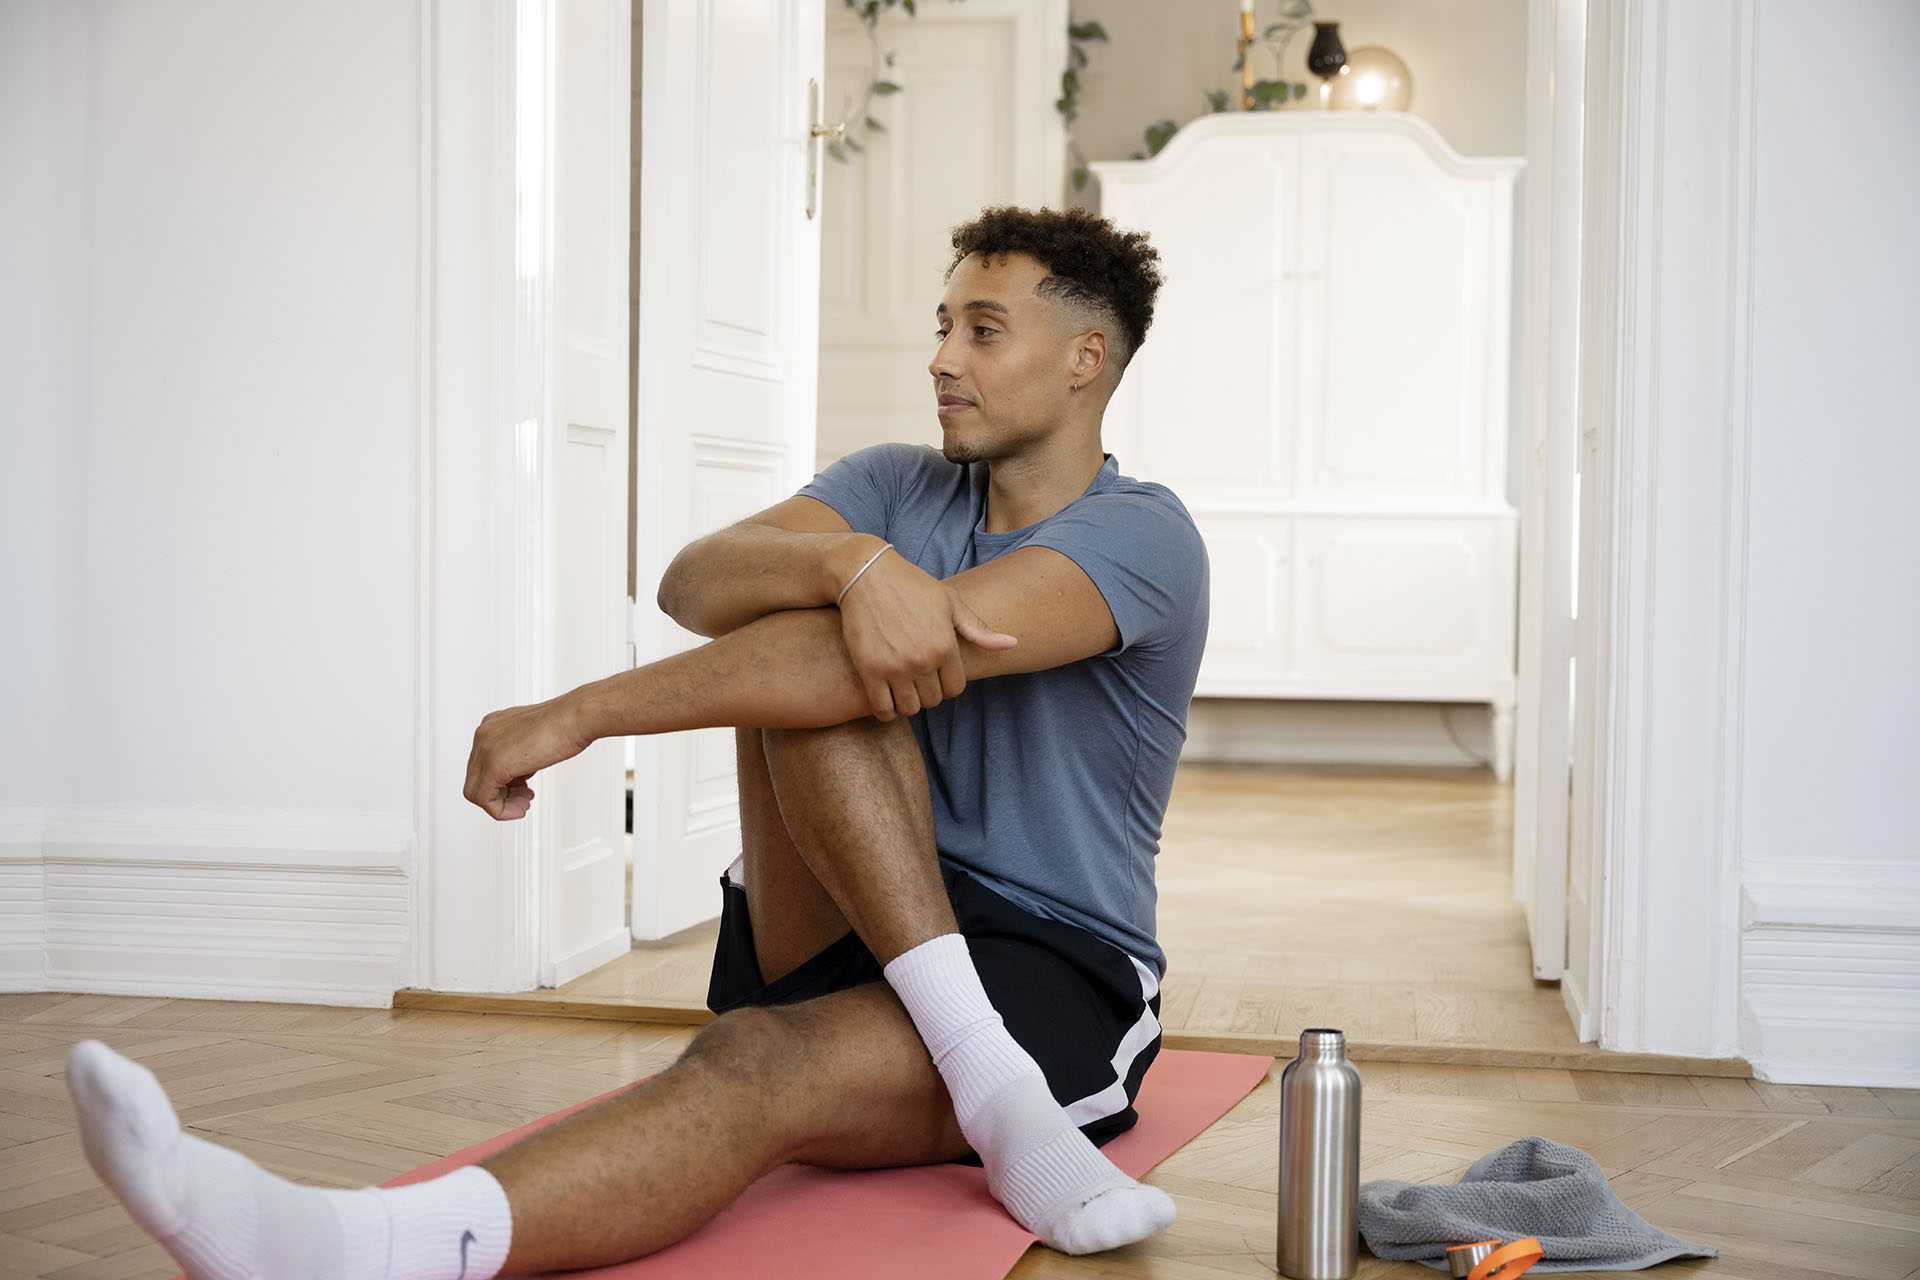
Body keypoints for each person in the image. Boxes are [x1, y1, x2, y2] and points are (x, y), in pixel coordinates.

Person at [63, 205, 1209, 1280]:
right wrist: (847, 561)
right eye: (942, 325)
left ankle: (351, 1245)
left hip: (1053, 963)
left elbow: (870, 655)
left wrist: (575, 714)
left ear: (1084, 359)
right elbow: (695, 578)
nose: (942, 358)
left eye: (983, 330)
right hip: (863, 898)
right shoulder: (893, 486)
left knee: (748, 1057)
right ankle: (981, 1070)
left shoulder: (1143, 535)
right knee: (802, 607)